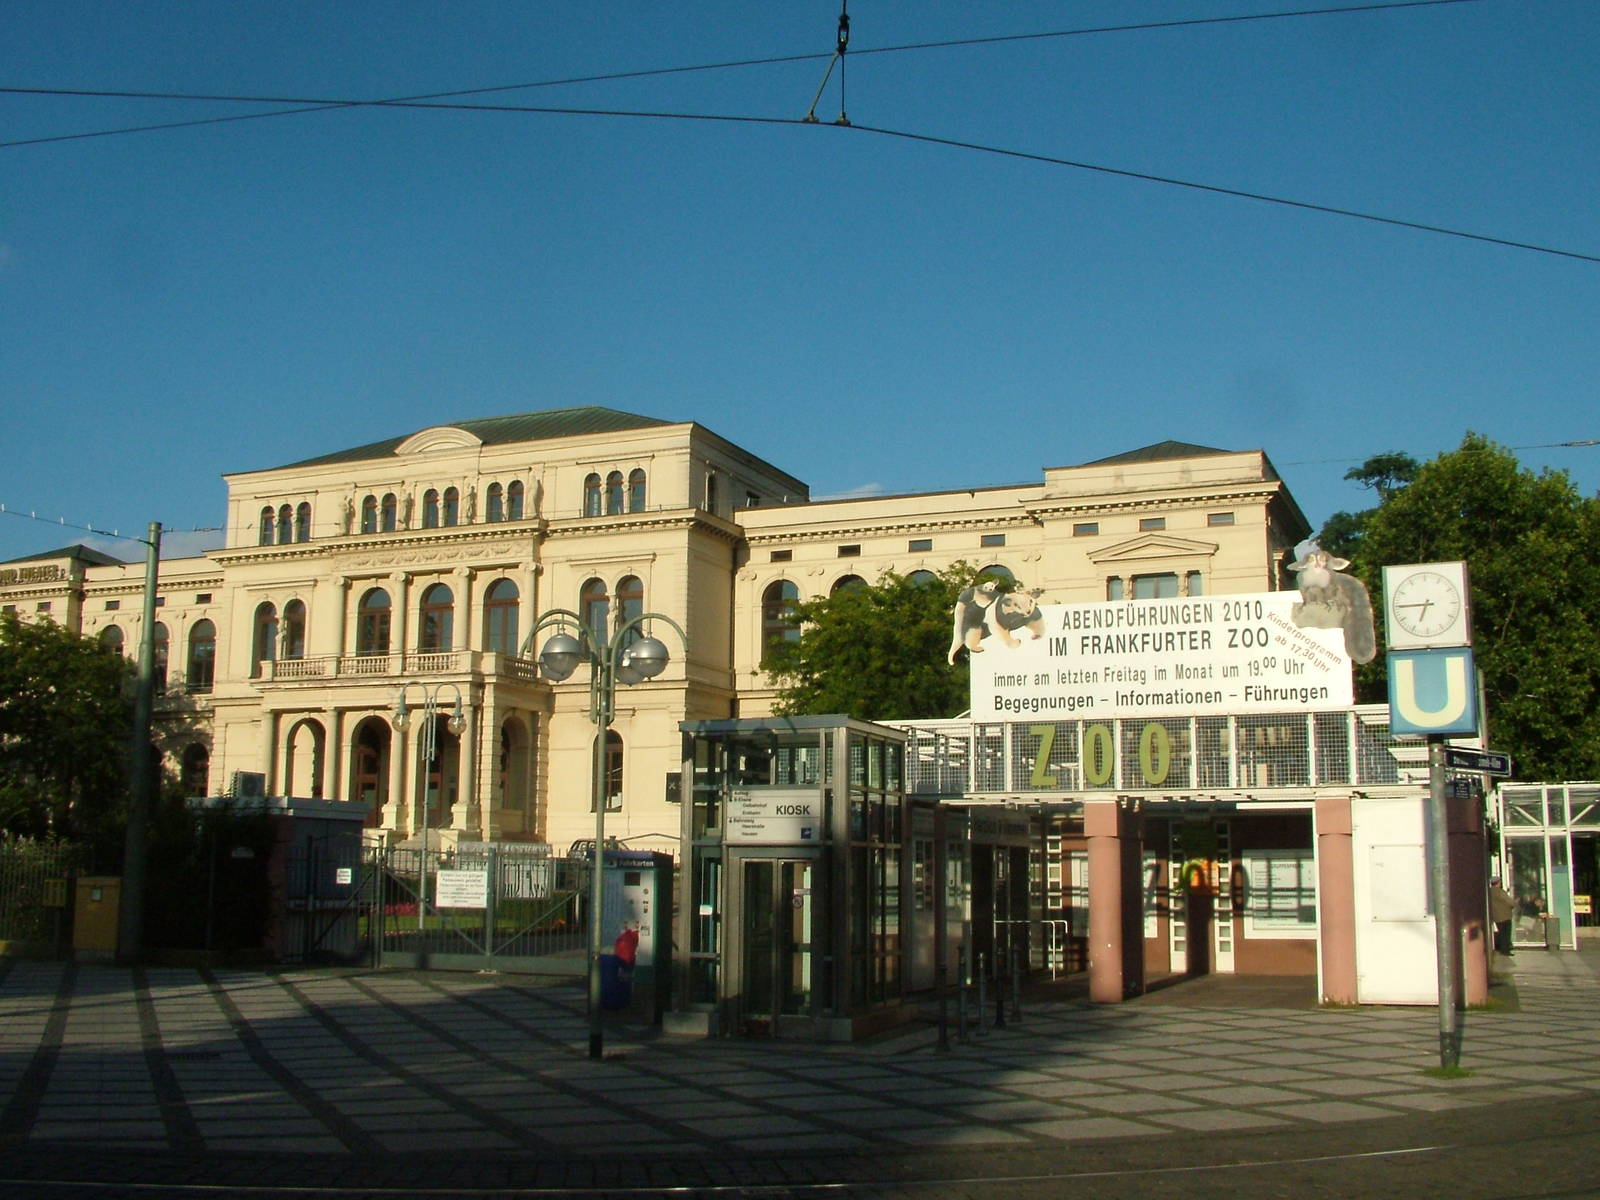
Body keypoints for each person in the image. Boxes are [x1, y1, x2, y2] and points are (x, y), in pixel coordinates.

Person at [1489, 878, 1514, 955]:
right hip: (1505, 915)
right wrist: (1514, 904)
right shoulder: (1500, 891)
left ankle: (1503, 949)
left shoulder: (1489, 892)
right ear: (1498, 883)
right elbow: (1509, 901)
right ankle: (1505, 950)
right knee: (1506, 934)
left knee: (1501, 933)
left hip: (1496, 916)